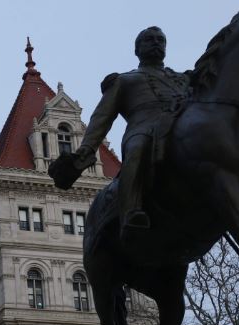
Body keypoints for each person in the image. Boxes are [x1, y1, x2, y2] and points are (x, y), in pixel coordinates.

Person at [62, 26, 189, 233]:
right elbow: (101, 118)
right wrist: (86, 149)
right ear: (137, 50)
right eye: (150, 39)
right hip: (143, 128)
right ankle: (131, 211)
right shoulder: (124, 80)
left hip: (179, 126)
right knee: (137, 149)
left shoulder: (183, 79)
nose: (156, 42)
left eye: (160, 39)